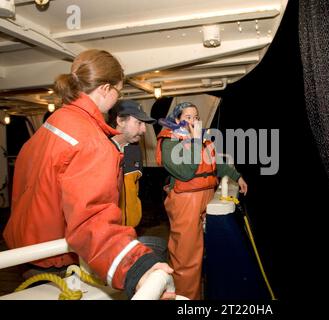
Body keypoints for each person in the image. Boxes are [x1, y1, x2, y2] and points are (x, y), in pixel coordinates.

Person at [3, 49, 173, 299]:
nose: (117, 99)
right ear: (105, 89)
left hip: (28, 253)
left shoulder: (49, 127)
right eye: (118, 91)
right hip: (57, 261)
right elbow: (91, 219)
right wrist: (137, 267)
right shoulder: (91, 142)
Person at [155, 102, 248, 299]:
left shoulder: (203, 139)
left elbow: (216, 163)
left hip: (206, 197)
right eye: (188, 117)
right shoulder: (169, 142)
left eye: (196, 117)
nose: (194, 121)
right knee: (186, 257)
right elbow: (186, 172)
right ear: (177, 120)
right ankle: (186, 300)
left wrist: (236, 176)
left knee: (205, 252)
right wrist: (196, 140)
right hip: (185, 202)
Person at [108, 99, 167, 258]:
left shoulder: (134, 151)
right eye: (138, 123)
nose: (143, 130)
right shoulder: (102, 152)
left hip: (130, 229)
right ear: (120, 121)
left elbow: (133, 189)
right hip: (109, 236)